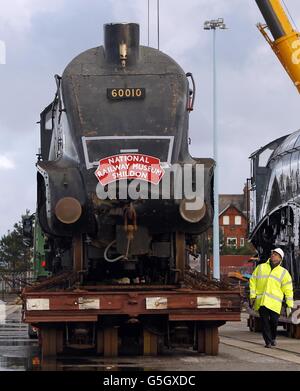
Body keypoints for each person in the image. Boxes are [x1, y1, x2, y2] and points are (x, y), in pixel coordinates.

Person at [249, 248, 294, 348]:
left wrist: (289, 305)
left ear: (280, 258)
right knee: (264, 322)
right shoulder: (260, 268)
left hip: (275, 303)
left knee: (274, 322)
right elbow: (253, 281)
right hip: (262, 301)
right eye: (273, 254)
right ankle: (268, 342)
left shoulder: (284, 273)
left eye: (276, 255)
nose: (273, 255)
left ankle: (273, 338)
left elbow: (288, 289)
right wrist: (252, 296)